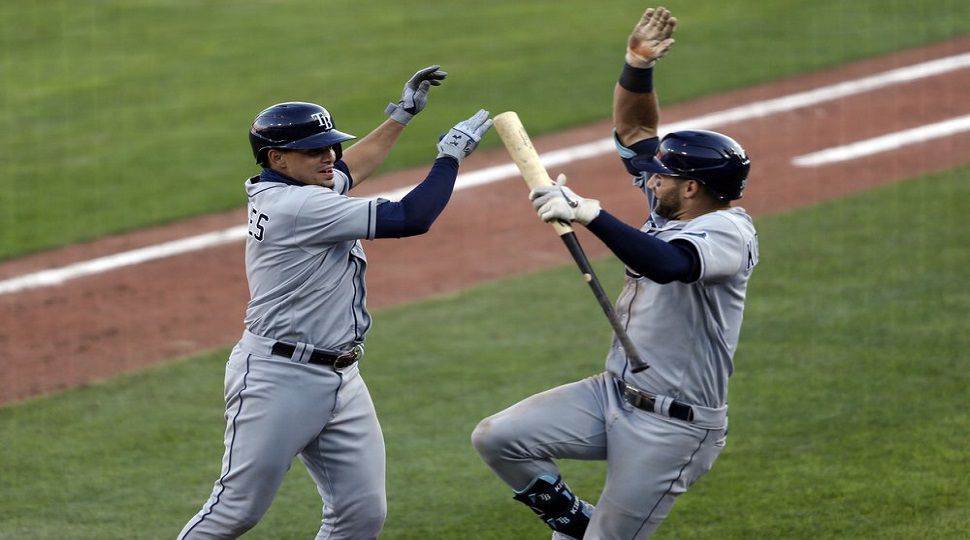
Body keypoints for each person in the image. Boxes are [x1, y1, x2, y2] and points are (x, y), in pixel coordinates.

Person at [472, 6, 758, 539]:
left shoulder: (727, 234)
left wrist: (590, 214)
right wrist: (636, 64)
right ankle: (572, 521)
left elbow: (670, 265)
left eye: (662, 177)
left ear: (691, 187)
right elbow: (635, 128)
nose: (650, 181)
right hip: (613, 394)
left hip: (674, 427)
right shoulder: (672, 206)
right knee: (499, 437)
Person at [178, 65, 492, 539]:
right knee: (235, 511)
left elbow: (351, 168)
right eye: (314, 150)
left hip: (341, 376)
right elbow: (411, 216)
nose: (329, 156)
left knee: (360, 515)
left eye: (329, 145)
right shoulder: (299, 207)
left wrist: (401, 115)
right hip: (279, 379)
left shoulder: (299, 187)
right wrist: (448, 159)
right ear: (277, 158)